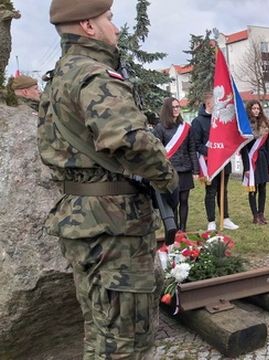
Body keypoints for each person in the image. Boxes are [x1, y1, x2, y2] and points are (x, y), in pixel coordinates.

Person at [38, 1, 178, 357]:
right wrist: (167, 177)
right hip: (114, 225)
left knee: (100, 330)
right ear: (88, 26)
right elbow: (131, 140)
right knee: (127, 340)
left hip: (83, 219)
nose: (114, 28)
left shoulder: (59, 77)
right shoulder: (94, 75)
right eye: (109, 20)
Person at [190, 92, 240, 231]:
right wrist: (212, 153)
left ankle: (225, 218)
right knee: (211, 192)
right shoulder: (198, 122)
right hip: (209, 163)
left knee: (223, 190)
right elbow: (197, 144)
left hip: (224, 161)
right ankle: (211, 221)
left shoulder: (220, 119)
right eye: (216, 103)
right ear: (209, 104)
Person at [152, 97, 198, 231]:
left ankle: (182, 228)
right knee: (174, 202)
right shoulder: (160, 128)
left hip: (185, 169)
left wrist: (196, 170)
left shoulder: (186, 127)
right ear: (167, 109)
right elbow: (157, 152)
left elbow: (192, 149)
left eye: (178, 106)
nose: (177, 109)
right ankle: (174, 227)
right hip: (170, 171)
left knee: (184, 200)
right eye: (174, 107)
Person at [241, 100, 269, 225]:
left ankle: (261, 214)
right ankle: (255, 215)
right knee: (252, 189)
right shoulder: (245, 126)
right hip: (250, 161)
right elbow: (243, 149)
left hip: (263, 159)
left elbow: (268, 146)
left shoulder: (264, 125)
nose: (256, 110)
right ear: (249, 110)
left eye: (258, 108)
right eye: (253, 108)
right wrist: (246, 167)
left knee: (263, 188)